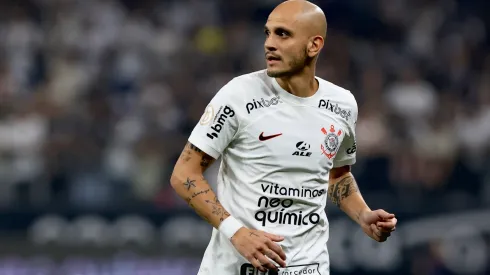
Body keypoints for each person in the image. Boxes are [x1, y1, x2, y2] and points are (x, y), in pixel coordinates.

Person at [170, 0, 397, 274]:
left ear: (314, 45)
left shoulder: (343, 104)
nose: (269, 43)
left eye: (283, 34)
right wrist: (236, 232)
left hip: (308, 267)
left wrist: (363, 214)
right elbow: (184, 174)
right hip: (235, 267)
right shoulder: (239, 95)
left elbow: (336, 174)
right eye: (268, 33)